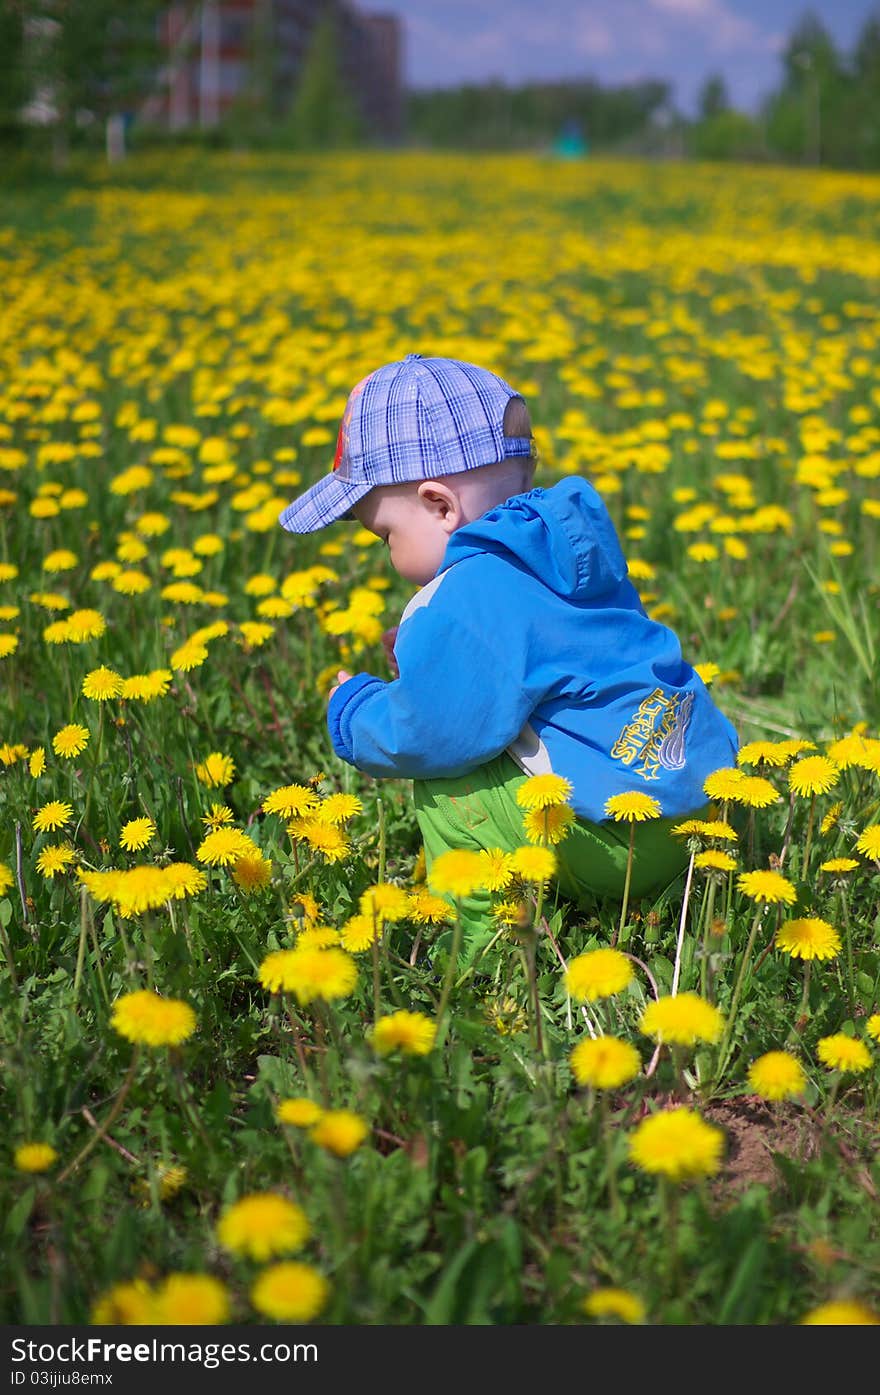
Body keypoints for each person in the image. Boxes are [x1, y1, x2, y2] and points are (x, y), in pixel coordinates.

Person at [278, 353, 738, 956]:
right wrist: (434, 655)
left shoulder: (468, 590)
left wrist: (354, 710)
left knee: (447, 773)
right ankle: (644, 910)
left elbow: (428, 732)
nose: (385, 555)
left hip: (614, 843)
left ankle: (479, 944)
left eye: (384, 535)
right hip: (700, 814)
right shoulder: (562, 548)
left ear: (440, 505)